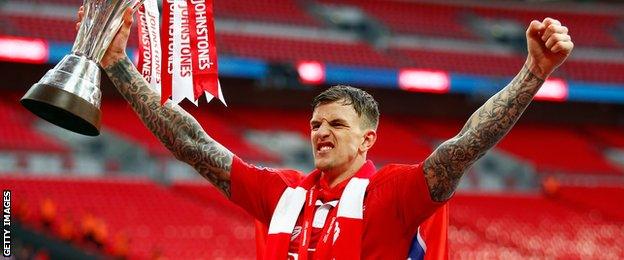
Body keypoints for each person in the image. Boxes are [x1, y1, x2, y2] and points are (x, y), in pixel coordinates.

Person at [78, 5, 573, 259]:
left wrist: (532, 74)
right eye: (316, 124)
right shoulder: (282, 194)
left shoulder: (392, 193)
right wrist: (119, 66)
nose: (321, 132)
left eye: (338, 124)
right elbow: (193, 144)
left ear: (367, 140)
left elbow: (464, 147)